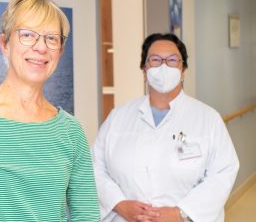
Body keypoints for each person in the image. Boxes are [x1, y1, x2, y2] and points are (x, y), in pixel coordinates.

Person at [0, 0, 100, 222]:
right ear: (4, 43)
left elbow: (86, 215)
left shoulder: (71, 131)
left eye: (52, 39)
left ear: (60, 51)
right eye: (27, 35)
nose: (41, 47)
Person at [92, 33, 239, 222]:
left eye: (172, 60)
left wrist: (181, 213)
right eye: (155, 60)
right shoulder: (118, 117)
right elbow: (95, 166)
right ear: (144, 71)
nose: (163, 66)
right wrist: (120, 204)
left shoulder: (208, 119)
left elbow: (223, 172)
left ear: (183, 70)